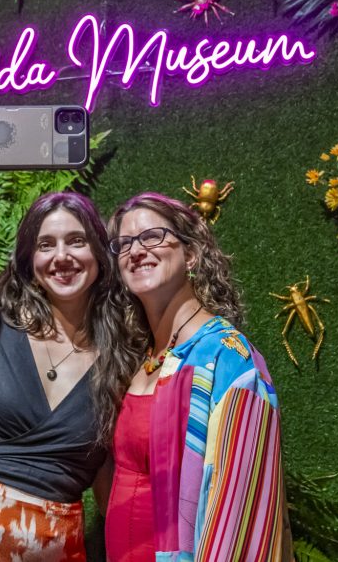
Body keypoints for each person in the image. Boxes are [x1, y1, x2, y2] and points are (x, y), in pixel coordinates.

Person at [104, 192, 291, 562]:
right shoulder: (143, 358)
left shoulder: (226, 357)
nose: (136, 251)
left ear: (191, 254)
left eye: (152, 236)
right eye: (124, 244)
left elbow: (242, 506)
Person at [0, 192, 138, 562]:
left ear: (99, 254)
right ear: (29, 261)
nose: (62, 256)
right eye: (45, 244)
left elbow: (109, 487)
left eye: (76, 241)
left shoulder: (121, 358)